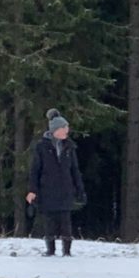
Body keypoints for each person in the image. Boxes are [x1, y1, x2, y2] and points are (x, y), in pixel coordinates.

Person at [27, 109, 86, 257]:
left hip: (66, 190)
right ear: (56, 130)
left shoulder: (69, 147)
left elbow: (75, 170)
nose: (67, 130)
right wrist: (32, 190)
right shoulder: (41, 147)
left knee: (66, 221)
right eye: (64, 128)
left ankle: (67, 251)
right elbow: (35, 170)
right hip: (47, 190)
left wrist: (80, 190)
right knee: (49, 221)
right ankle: (50, 250)